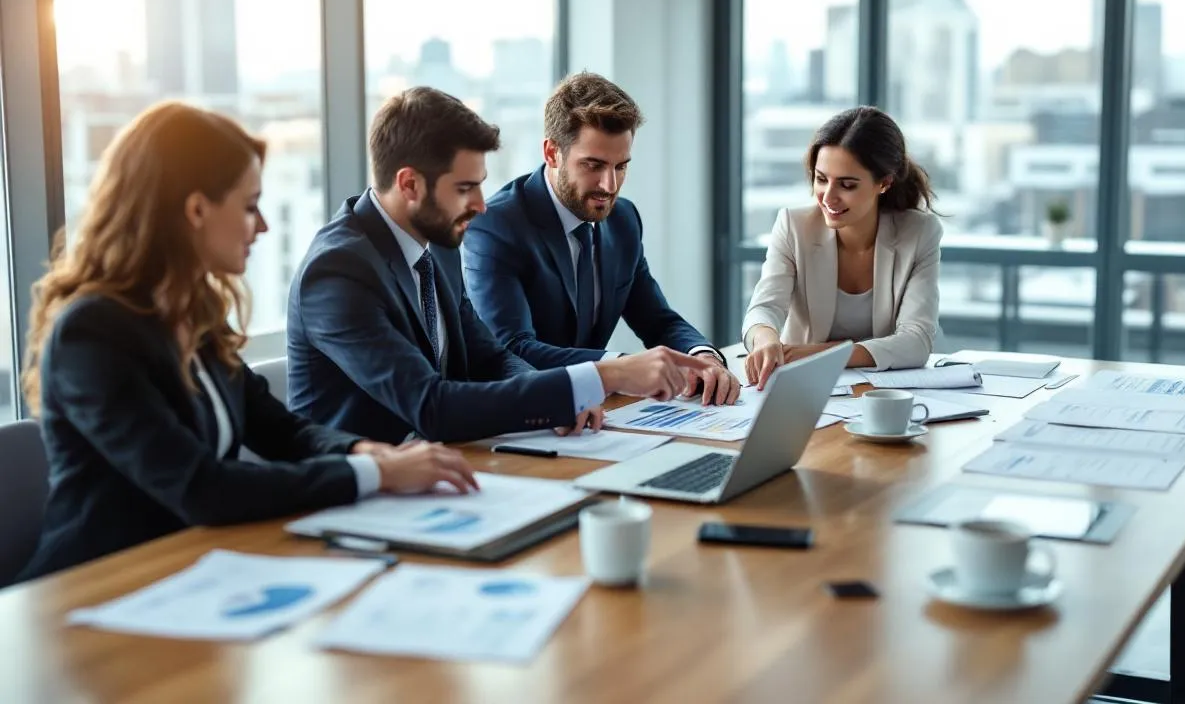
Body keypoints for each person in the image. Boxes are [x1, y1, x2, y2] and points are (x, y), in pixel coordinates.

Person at [15, 103, 476, 582]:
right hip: (95, 586)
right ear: (195, 210)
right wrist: (375, 476)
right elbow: (200, 485)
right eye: (250, 206)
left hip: (188, 570)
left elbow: (281, 429)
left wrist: (365, 452)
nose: (263, 227)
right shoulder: (92, 334)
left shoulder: (194, 315)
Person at [286, 86, 711, 444]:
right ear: (410, 184)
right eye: (465, 188)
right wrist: (604, 375)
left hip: (440, 472)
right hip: (357, 500)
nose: (480, 205)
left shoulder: (437, 247)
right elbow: (432, 405)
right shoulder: (338, 270)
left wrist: (560, 400)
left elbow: (491, 358)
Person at [462, 72, 740, 406]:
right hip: (521, 416)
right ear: (552, 153)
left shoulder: (623, 220)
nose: (609, 185)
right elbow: (513, 348)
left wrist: (703, 357)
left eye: (621, 166)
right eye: (593, 165)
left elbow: (657, 319)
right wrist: (623, 368)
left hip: (597, 416)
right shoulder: (496, 226)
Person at [741, 106, 942, 389]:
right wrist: (766, 339)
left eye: (847, 185)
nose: (828, 198)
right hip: (803, 390)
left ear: (884, 183)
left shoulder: (919, 233)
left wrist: (816, 354)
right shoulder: (793, 226)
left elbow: (916, 342)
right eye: (821, 179)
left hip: (880, 393)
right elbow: (763, 309)